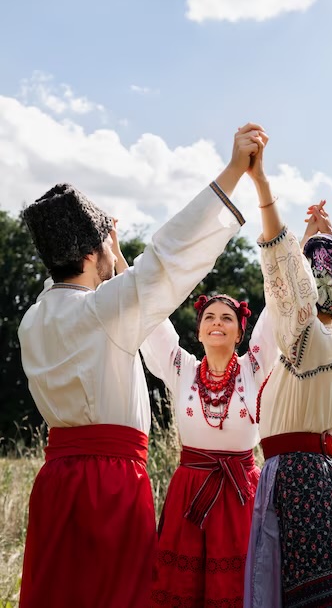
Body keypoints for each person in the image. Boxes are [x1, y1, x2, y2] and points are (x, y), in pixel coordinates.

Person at [17, 122, 266, 608]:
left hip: (55, 479)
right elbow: (167, 259)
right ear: (93, 254)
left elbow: (67, 283)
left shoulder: (34, 318)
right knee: (119, 596)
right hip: (108, 484)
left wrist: (89, 241)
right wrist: (235, 171)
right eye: (107, 248)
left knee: (56, 592)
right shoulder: (102, 310)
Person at [243, 137, 332, 607]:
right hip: (328, 480)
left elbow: (281, 268)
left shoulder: (303, 338)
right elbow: (322, 293)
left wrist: (263, 186)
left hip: (295, 484)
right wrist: (321, 239)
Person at [139, 291, 277, 608]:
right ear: (199, 330)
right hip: (189, 493)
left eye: (227, 318)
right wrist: (120, 263)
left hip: (240, 491)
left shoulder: (253, 367)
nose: (217, 323)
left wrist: (288, 254)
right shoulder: (182, 368)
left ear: (241, 332)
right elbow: (153, 320)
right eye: (209, 318)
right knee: (183, 585)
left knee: (237, 584)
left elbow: (275, 314)